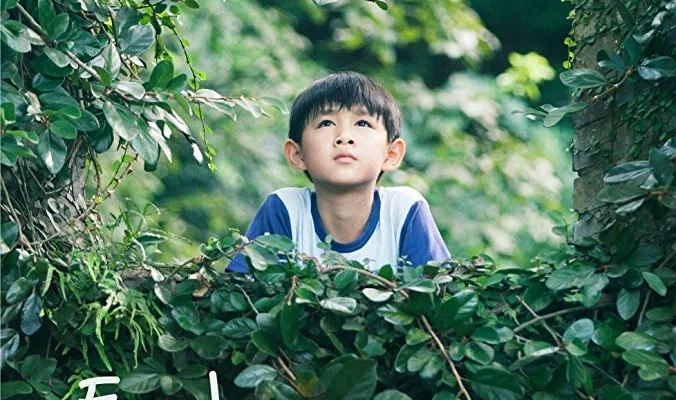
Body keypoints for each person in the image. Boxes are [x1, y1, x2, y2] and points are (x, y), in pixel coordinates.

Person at [226, 71, 450, 273]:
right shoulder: (285, 209)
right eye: (326, 123)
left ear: (391, 154)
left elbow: (436, 293)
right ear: (297, 154)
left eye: (362, 124)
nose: (344, 137)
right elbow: (244, 294)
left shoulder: (403, 210)